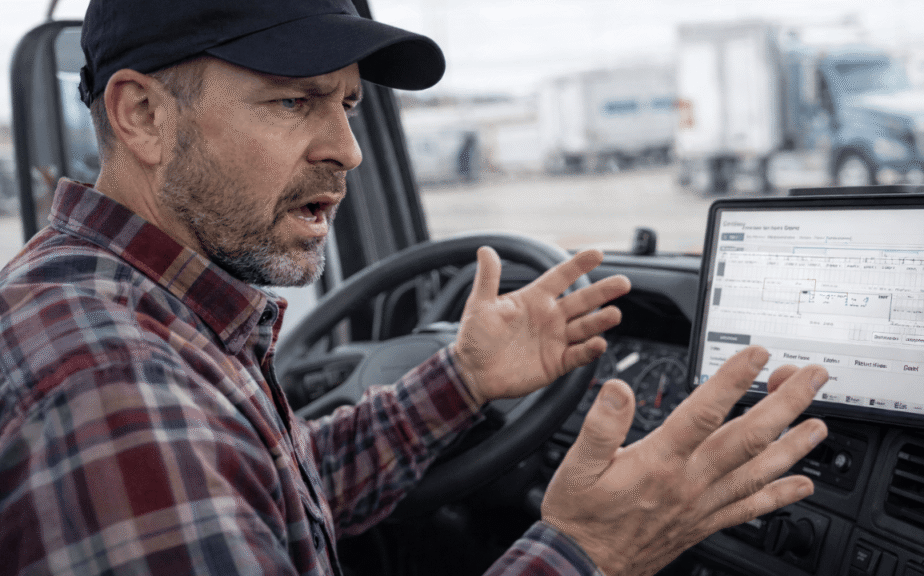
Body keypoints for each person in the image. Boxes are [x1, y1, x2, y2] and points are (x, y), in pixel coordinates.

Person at [0, 0, 829, 574]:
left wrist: (462, 380)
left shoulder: (128, 303)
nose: (348, 149)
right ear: (143, 115)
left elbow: (271, 493)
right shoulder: (114, 383)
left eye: (351, 106)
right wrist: (592, 551)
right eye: (294, 102)